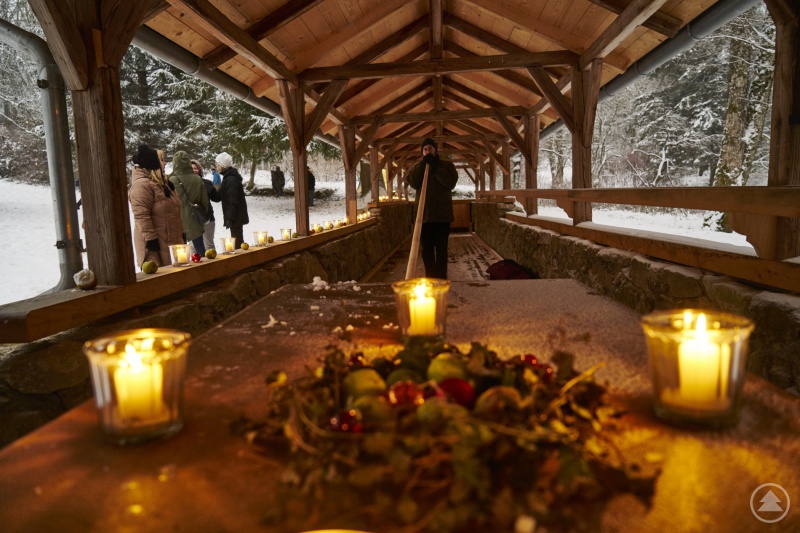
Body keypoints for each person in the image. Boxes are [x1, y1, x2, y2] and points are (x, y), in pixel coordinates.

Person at [406, 137, 458, 279]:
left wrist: (436, 169)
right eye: (425, 149)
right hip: (424, 217)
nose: (427, 151)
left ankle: (441, 279)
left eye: (430, 148)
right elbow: (413, 182)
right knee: (427, 251)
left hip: (442, 216)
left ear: (435, 150)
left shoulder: (447, 166)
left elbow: (450, 183)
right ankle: (430, 278)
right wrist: (424, 166)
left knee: (441, 250)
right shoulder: (419, 167)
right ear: (422, 152)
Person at [128, 144, 184, 268]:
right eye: (161, 160)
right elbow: (141, 215)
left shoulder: (163, 183)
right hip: (154, 247)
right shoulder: (141, 185)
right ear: (152, 163)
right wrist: (151, 240)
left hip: (171, 242)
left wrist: (181, 233)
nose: (165, 164)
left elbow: (175, 211)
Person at [169, 151, 210, 257]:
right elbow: (204, 201)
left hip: (178, 220)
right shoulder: (197, 179)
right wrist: (202, 213)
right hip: (194, 219)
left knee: (181, 253)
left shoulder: (171, 180)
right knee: (200, 248)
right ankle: (205, 270)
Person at [215, 151, 249, 248]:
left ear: (222, 165)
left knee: (237, 241)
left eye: (217, 164)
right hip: (235, 215)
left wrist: (230, 218)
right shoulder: (228, 178)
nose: (216, 166)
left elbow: (232, 200)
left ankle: (242, 260)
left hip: (236, 216)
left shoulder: (231, 180)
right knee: (237, 240)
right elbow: (221, 196)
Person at [192, 159, 217, 252]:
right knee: (193, 247)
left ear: (199, 170)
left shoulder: (207, 183)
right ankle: (196, 265)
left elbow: (216, 198)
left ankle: (213, 265)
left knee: (209, 244)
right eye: (191, 169)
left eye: (196, 168)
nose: (194, 170)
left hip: (207, 218)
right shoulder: (184, 185)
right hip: (192, 219)